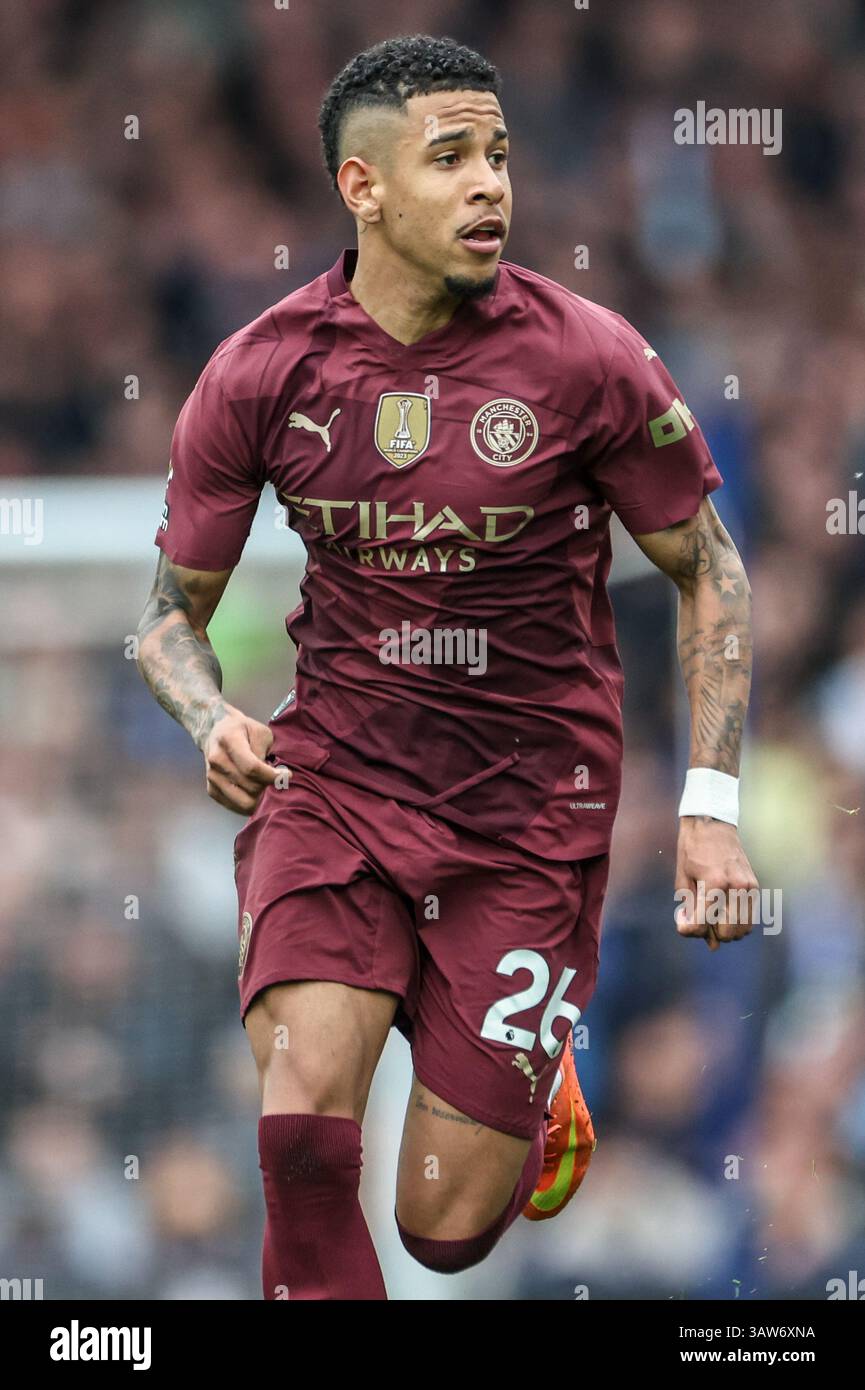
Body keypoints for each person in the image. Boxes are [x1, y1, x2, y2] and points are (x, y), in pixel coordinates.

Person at [136, 33, 758, 1300]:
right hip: (339, 788)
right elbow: (164, 619)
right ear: (362, 189)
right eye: (453, 157)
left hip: (530, 818)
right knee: (303, 1119)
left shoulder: (585, 359)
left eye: (500, 156)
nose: (492, 186)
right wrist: (208, 717)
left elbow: (711, 570)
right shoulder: (261, 373)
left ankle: (524, 1074)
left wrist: (709, 811)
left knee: (442, 1230)